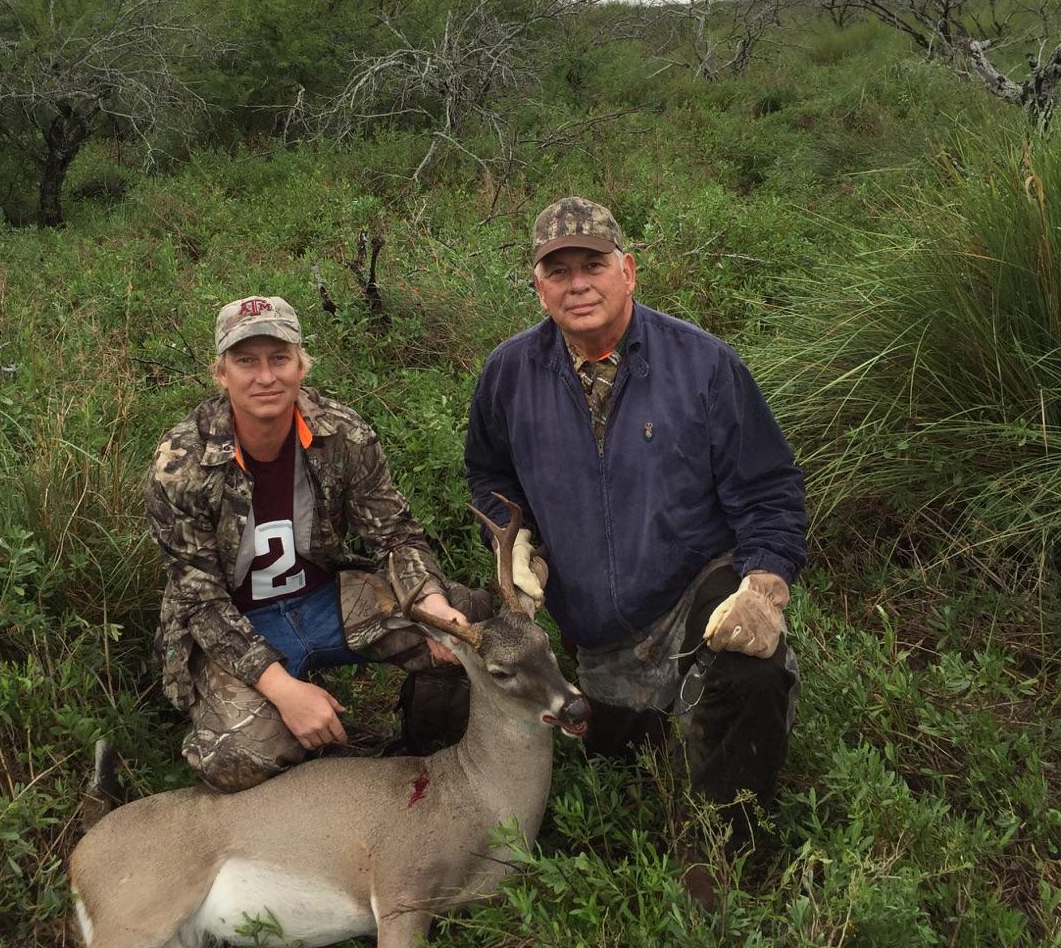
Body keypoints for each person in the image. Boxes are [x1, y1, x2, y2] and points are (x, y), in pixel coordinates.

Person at [465, 197, 807, 904]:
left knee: (752, 670)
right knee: (601, 731)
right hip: (590, 625)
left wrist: (764, 588)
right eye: (558, 271)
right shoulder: (507, 374)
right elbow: (487, 476)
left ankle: (724, 853)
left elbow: (769, 490)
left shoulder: (705, 366)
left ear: (629, 272)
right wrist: (515, 537)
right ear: (538, 286)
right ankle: (647, 720)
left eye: (593, 265)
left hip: (691, 592)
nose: (577, 284)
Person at [145, 295, 484, 793]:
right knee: (241, 755)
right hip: (235, 623)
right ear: (221, 373)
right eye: (246, 361)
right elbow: (200, 600)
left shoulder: (343, 434)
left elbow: (396, 534)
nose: (266, 377)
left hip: (323, 599)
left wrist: (431, 606)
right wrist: (282, 690)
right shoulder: (180, 465)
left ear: (302, 364)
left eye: (280, 358)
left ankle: (423, 758)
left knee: (463, 627)